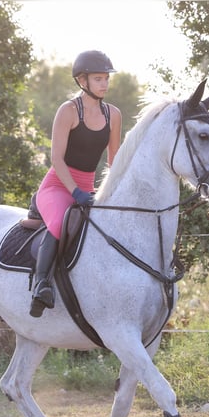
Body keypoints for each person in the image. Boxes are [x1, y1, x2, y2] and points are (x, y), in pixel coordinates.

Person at [29, 50, 123, 317]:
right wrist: (75, 191)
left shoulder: (113, 114)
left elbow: (113, 160)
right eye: (98, 79)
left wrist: (113, 191)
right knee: (59, 224)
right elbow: (56, 159)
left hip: (88, 188)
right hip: (58, 186)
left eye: (106, 78)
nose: (104, 83)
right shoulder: (68, 111)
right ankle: (41, 284)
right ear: (83, 81)